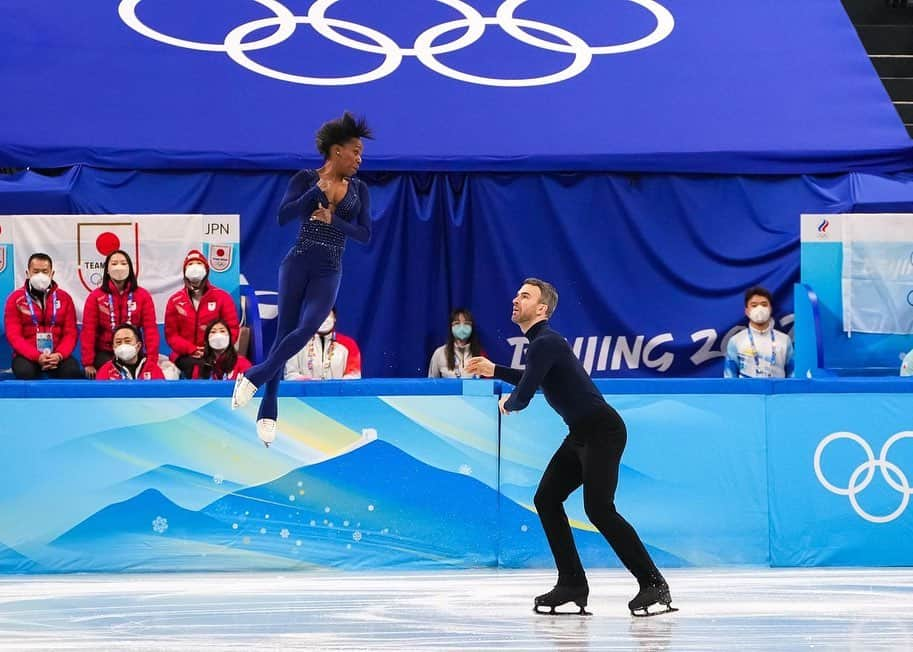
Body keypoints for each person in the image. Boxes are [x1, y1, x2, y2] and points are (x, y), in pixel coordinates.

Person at [465, 279, 674, 617]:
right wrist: (496, 371)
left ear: (542, 309)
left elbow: (528, 390)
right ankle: (572, 583)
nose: (516, 299)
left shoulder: (545, 342)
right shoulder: (543, 345)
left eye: (525, 296)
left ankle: (653, 583)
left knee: (599, 509)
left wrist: (510, 403)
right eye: (517, 294)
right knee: (546, 498)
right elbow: (537, 376)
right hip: (580, 433)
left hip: (602, 432)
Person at [232, 112, 373, 447]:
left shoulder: (360, 189)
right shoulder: (305, 178)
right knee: (284, 334)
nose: (359, 159)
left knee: (308, 328)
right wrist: (314, 194)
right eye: (355, 151)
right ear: (337, 150)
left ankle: (254, 375)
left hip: (329, 268)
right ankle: (268, 412)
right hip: (297, 263)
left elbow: (365, 234)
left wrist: (333, 220)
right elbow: (283, 216)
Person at [81, 249, 158, 379]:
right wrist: (88, 363)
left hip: (134, 351)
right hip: (106, 352)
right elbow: (89, 331)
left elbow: (150, 330)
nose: (119, 267)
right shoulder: (95, 297)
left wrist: (152, 360)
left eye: (123, 263)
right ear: (106, 269)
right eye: (114, 263)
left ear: (130, 268)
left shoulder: (143, 296)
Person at [3, 252, 82, 379]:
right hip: (27, 355)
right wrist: (36, 356)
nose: (40, 275)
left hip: (57, 355)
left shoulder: (65, 298)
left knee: (72, 372)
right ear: (28, 273)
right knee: (25, 372)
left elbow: (70, 333)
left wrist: (59, 355)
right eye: (36, 271)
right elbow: (14, 335)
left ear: (52, 274)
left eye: (45, 271)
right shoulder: (15, 299)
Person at [164, 250, 240, 378]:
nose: (194, 267)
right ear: (184, 271)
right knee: (195, 367)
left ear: (206, 270)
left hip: (217, 352)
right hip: (184, 355)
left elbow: (232, 329)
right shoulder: (175, 301)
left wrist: (214, 348)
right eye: (190, 264)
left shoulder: (222, 297)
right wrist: (191, 349)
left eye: (198, 263)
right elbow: (171, 335)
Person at [724, 286, 794, 378]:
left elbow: (793, 375)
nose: (759, 309)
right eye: (754, 305)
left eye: (764, 304)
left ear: (770, 309)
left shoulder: (785, 340)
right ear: (747, 311)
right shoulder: (736, 341)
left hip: (779, 391)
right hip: (746, 392)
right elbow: (729, 378)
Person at [284, 307, 362, 380]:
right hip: (306, 394)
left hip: (337, 393)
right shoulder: (297, 343)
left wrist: (333, 388)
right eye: (318, 315)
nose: (323, 319)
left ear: (334, 318)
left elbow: (354, 376)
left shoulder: (349, 344)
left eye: (327, 314)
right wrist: (313, 385)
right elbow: (290, 375)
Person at [95, 323, 165, 381]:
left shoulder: (153, 369)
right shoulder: (105, 371)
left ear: (138, 346)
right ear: (113, 347)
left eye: (127, 341)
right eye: (118, 342)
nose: (123, 345)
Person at [428, 307, 483, 378]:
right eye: (457, 323)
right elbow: (432, 384)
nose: (462, 327)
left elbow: (486, 385)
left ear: (472, 327)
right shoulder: (439, 353)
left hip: (472, 389)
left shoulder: (480, 355)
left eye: (466, 323)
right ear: (451, 327)